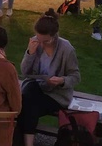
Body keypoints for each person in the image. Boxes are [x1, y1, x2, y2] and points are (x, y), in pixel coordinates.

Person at [17, 9, 81, 146]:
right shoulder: (35, 43)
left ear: (54, 36)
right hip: (36, 87)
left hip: (56, 94)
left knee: (27, 106)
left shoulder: (66, 48)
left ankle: (23, 143)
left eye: (45, 41)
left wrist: (62, 80)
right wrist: (30, 53)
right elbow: (24, 71)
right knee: (27, 100)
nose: (41, 43)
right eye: (38, 39)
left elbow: (75, 76)